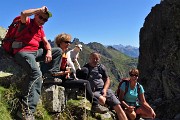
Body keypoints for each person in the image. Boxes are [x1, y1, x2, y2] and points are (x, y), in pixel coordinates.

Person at [13, 6, 62, 120]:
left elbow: (46, 43)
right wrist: (39, 9)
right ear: (36, 15)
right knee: (36, 74)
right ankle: (26, 111)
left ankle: (51, 75)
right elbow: (23, 13)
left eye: (45, 20)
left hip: (35, 52)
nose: (42, 21)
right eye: (41, 17)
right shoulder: (27, 22)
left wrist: (49, 51)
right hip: (23, 52)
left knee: (58, 51)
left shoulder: (40, 29)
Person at [41, 33, 108, 114]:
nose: (69, 44)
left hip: (64, 77)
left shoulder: (65, 53)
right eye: (66, 42)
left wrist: (68, 71)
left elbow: (62, 68)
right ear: (60, 42)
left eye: (69, 42)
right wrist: (67, 71)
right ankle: (95, 105)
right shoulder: (57, 53)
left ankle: (85, 93)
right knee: (85, 83)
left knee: (83, 71)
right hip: (58, 79)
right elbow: (53, 73)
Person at [76, 52, 128, 120]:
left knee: (118, 107)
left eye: (97, 59)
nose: (95, 60)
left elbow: (107, 79)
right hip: (93, 91)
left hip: (104, 90)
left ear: (99, 59)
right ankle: (106, 105)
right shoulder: (85, 69)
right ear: (89, 58)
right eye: (93, 58)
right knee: (102, 100)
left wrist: (105, 90)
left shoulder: (101, 67)